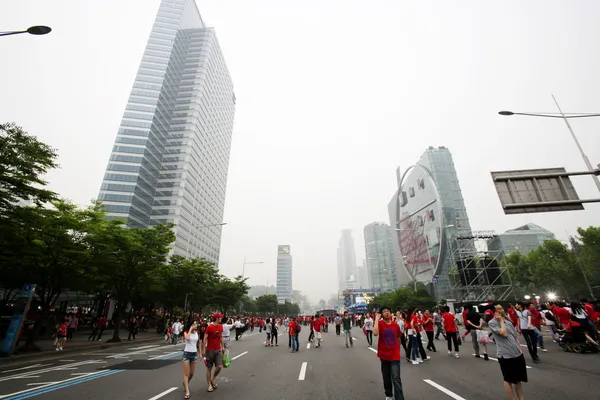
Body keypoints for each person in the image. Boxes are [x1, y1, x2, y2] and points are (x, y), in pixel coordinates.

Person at [488, 303, 527, 400]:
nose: (502, 310)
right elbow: (503, 333)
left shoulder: (508, 322)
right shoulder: (492, 323)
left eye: (502, 308)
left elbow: (515, 337)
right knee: (508, 380)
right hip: (505, 355)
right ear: (495, 312)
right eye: (499, 309)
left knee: (518, 380)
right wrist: (501, 321)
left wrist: (519, 350)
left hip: (517, 354)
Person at [373, 306, 405, 400]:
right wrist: (376, 319)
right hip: (384, 355)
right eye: (384, 311)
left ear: (390, 313)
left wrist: (398, 350)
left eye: (388, 311)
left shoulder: (395, 325)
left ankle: (399, 397)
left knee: (396, 377)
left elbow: (398, 338)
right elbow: (375, 333)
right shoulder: (380, 323)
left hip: (394, 354)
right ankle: (389, 394)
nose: (386, 312)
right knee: (386, 376)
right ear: (382, 314)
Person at [202, 313, 224, 393]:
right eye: (220, 317)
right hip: (210, 350)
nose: (221, 318)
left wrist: (223, 347)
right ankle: (209, 384)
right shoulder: (210, 327)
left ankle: (213, 379)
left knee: (219, 366)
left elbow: (221, 337)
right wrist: (204, 350)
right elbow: (205, 338)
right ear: (217, 318)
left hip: (218, 350)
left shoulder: (221, 326)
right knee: (209, 368)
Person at [182, 322, 199, 399]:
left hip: (194, 353)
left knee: (191, 373)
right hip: (187, 353)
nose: (196, 325)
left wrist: (201, 353)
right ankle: (187, 391)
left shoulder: (197, 333)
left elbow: (199, 342)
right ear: (191, 325)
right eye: (195, 324)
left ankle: (186, 383)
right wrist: (190, 329)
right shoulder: (186, 332)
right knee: (186, 373)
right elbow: (187, 338)